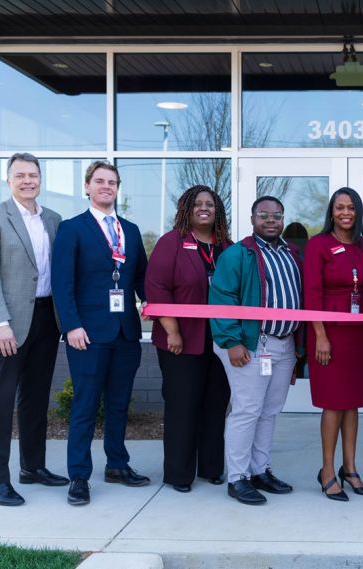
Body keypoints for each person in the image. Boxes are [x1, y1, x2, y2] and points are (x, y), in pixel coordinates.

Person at [0, 152, 67, 506]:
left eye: (33, 175)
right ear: (8, 180)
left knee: (36, 397)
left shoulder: (54, 219)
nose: (28, 180)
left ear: (41, 179)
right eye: (20, 175)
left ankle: (33, 467)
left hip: (45, 318)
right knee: (2, 400)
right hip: (7, 323)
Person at [52, 160, 149, 506]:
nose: (106, 187)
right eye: (100, 181)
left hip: (125, 333)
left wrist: (151, 300)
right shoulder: (72, 229)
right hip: (87, 334)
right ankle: (79, 475)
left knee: (119, 405)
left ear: (117, 188)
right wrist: (72, 326)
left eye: (112, 182)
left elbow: (139, 277)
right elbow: (62, 284)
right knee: (85, 406)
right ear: (87, 187)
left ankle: (117, 465)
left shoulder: (132, 231)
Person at [210, 196, 303, 506]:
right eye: (264, 215)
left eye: (277, 215)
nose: (271, 220)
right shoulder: (239, 254)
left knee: (269, 411)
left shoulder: (291, 253)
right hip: (250, 344)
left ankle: (260, 470)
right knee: (247, 410)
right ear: (252, 219)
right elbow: (222, 298)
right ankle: (237, 477)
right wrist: (232, 342)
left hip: (284, 344)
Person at [145, 185, 233, 493]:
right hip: (180, 339)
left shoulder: (225, 246)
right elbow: (157, 288)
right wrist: (172, 331)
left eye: (210, 204)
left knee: (215, 403)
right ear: (187, 208)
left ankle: (211, 467)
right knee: (183, 405)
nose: (204, 208)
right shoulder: (171, 243)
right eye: (198, 203)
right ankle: (179, 474)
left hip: (219, 340)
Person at [304, 187, 363, 502]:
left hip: (358, 334)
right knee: (333, 402)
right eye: (339, 208)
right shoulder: (317, 245)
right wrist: (320, 335)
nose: (345, 213)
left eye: (351, 207)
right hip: (328, 334)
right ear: (331, 212)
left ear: (358, 212)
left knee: (352, 403)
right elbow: (311, 293)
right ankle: (326, 470)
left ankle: (350, 468)